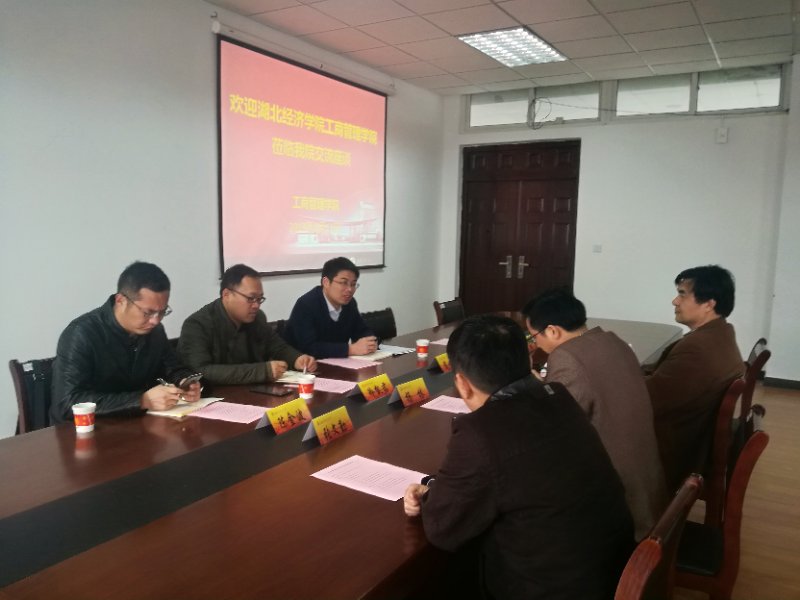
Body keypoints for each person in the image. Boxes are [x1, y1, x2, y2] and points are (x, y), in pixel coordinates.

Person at [403, 315, 633, 600]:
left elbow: (444, 529)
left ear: (462, 383)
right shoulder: (558, 396)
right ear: (529, 358)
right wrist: (438, 486)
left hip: (553, 589)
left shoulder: (481, 432)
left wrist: (430, 495)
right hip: (610, 571)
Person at [522, 288, 667, 541]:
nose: (535, 343)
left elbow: (554, 426)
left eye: (533, 336)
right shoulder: (613, 340)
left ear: (553, 331)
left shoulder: (567, 356)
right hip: (649, 487)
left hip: (620, 499)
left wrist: (532, 390)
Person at [51, 261, 201, 423]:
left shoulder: (155, 331)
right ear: (121, 300)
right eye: (148, 312)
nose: (155, 320)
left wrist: (185, 382)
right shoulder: (81, 334)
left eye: (162, 312)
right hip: (86, 430)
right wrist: (141, 400)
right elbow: (67, 403)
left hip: (136, 424)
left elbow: (171, 367)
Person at [644, 265, 744, 491]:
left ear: (709, 304)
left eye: (682, 294)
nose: (674, 301)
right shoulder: (720, 334)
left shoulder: (698, 349)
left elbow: (645, 401)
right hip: (692, 438)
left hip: (672, 449)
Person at [177, 264, 316, 385]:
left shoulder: (257, 318)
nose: (256, 305)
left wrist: (297, 359)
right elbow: (200, 371)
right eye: (250, 298)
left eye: (259, 299)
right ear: (226, 294)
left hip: (252, 393)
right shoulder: (197, 325)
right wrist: (263, 371)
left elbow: (277, 346)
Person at [283, 256, 376, 359]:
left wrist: (370, 342)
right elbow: (309, 348)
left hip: (338, 363)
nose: (349, 289)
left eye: (353, 284)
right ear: (326, 282)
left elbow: (361, 330)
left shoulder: (350, 304)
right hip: (302, 366)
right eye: (343, 283)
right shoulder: (306, 305)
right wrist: (350, 349)